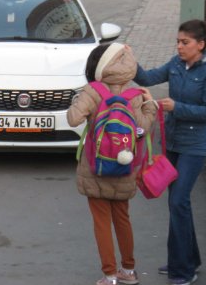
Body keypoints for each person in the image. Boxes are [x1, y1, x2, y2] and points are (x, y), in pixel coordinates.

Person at [132, 19, 206, 285]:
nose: (179, 47)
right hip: (171, 143)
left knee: (178, 201)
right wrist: (128, 58)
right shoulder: (175, 63)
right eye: (178, 42)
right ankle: (185, 260)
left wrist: (176, 107)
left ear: (200, 45)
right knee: (177, 202)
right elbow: (147, 78)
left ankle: (183, 271)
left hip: (194, 146)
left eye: (185, 43)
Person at [67, 43, 158, 285]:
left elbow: (73, 118)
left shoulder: (93, 90)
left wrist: (80, 100)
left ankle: (109, 275)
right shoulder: (136, 95)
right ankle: (128, 271)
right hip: (125, 167)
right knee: (122, 218)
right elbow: (143, 129)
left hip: (95, 168)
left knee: (101, 222)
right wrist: (150, 105)